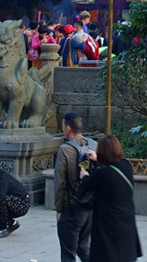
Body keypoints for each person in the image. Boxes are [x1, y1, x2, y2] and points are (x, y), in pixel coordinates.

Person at [74, 135, 141, 262]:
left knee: (107, 255)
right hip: (126, 222)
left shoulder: (103, 174)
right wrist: (97, 159)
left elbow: (87, 185)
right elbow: (114, 165)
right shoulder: (126, 167)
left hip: (108, 225)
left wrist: (84, 175)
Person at [55, 112, 92, 262]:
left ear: (68, 128)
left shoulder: (65, 150)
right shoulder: (93, 144)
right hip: (90, 206)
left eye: (63, 126)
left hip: (72, 206)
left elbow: (60, 182)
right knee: (83, 247)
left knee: (68, 252)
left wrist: (58, 208)